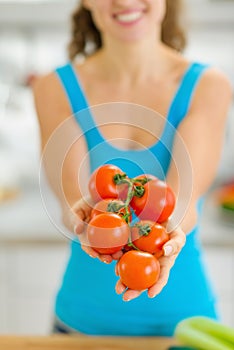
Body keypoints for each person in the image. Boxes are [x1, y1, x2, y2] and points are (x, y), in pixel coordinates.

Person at [32, 0, 232, 337]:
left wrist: (169, 231)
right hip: (79, 326)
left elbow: (181, 201)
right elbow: (74, 198)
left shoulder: (208, 86)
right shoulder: (54, 88)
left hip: (184, 328)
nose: (124, 1)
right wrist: (79, 219)